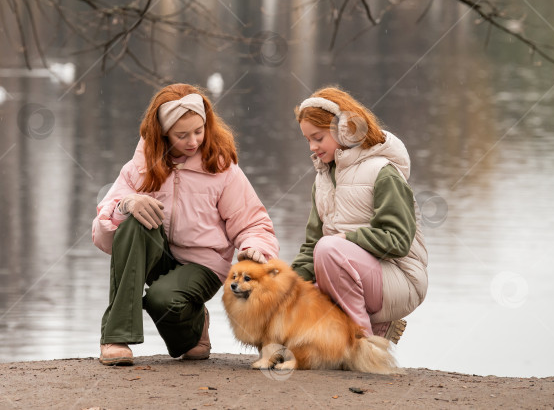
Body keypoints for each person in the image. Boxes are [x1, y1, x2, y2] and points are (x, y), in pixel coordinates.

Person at [93, 83, 279, 366]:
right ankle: (115, 336)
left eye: (199, 131)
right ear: (163, 133)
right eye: (182, 135)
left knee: (164, 304)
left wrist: (254, 247)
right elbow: (104, 237)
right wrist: (125, 206)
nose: (193, 141)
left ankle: (194, 323)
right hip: (158, 258)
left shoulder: (222, 168)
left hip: (203, 265)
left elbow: (253, 222)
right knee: (132, 220)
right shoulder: (138, 168)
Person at [290, 86, 428, 343]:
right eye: (307, 140)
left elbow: (398, 240)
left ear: (344, 129)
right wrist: (286, 287)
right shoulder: (322, 180)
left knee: (329, 248)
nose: (312, 147)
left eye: (318, 138)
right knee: (300, 310)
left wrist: (346, 239)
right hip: (346, 272)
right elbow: (311, 245)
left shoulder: (382, 172)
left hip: (400, 280)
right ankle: (379, 329)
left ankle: (362, 343)